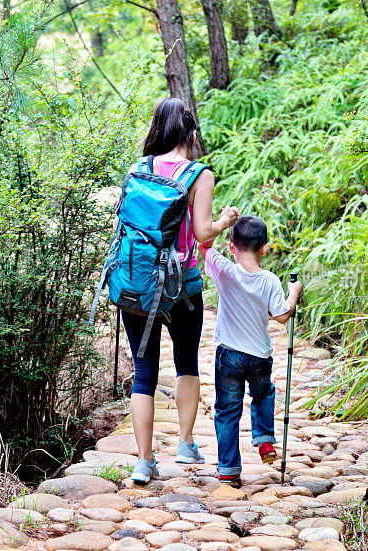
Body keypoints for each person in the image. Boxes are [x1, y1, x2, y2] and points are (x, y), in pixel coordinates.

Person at [125, 98, 239, 484]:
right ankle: (186, 443)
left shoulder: (138, 169)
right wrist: (225, 220)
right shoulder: (198, 174)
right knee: (186, 363)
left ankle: (144, 461)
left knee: (144, 372)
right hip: (181, 286)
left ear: (157, 130)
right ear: (191, 134)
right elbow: (204, 232)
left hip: (137, 284)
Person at [198, 216, 303, 487]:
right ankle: (265, 440)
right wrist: (294, 292)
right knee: (263, 394)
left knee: (227, 410)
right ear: (264, 248)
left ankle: (229, 469)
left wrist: (222, 222)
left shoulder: (224, 270)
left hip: (230, 356)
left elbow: (203, 245)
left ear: (232, 247)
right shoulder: (269, 280)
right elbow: (282, 316)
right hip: (259, 357)